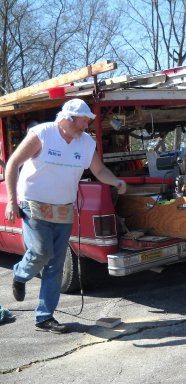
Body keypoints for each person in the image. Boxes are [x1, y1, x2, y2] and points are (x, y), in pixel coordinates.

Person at [4, 98, 127, 334]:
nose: (85, 126)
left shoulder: (86, 143)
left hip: (64, 208)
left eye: (87, 122)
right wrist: (11, 201)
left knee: (56, 266)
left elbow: (99, 170)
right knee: (41, 252)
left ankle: (44, 318)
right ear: (67, 119)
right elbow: (13, 164)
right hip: (34, 204)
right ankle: (20, 274)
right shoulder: (42, 134)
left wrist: (116, 181)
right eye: (82, 121)